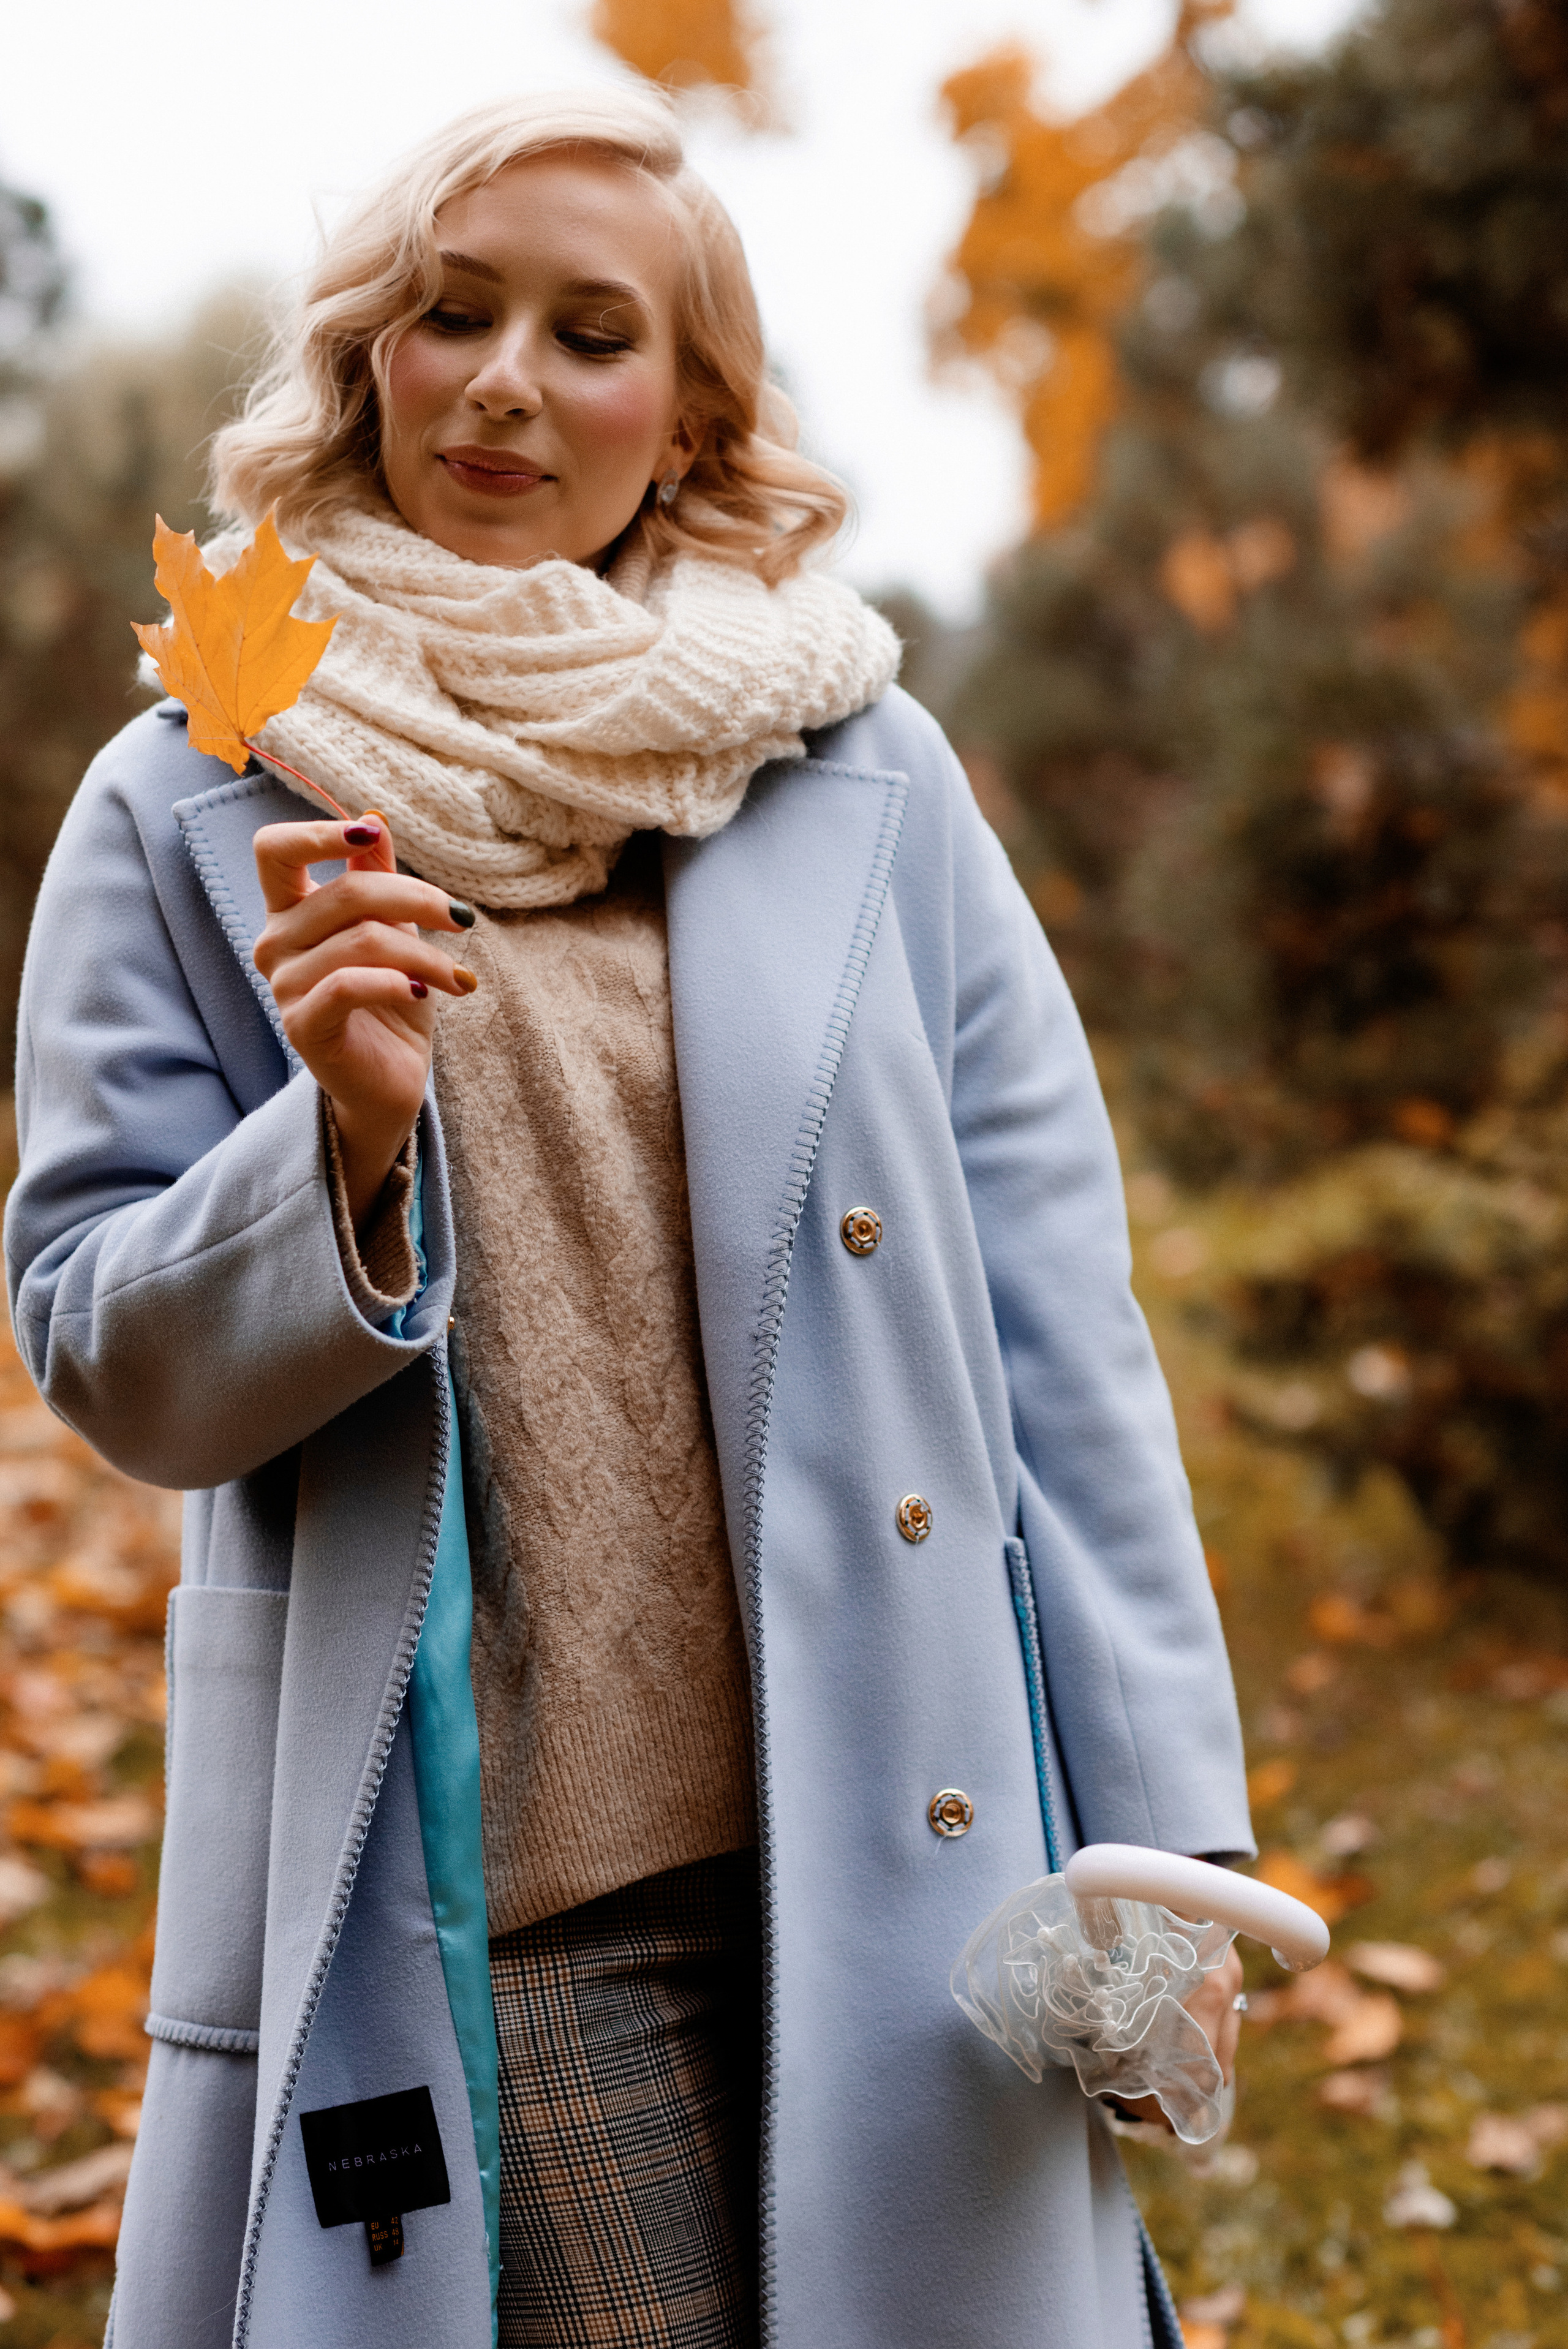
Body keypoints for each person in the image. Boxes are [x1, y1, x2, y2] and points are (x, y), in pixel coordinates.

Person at [4, 85, 1253, 2349]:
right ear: (366, 355)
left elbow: (1066, 1331)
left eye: (592, 335)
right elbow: (98, 1337)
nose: (505, 379)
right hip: (508, 1903)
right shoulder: (188, 789)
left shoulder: (860, 770)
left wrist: (1180, 1848)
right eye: (450, 312)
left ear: (684, 418)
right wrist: (339, 1155)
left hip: (912, 1849)